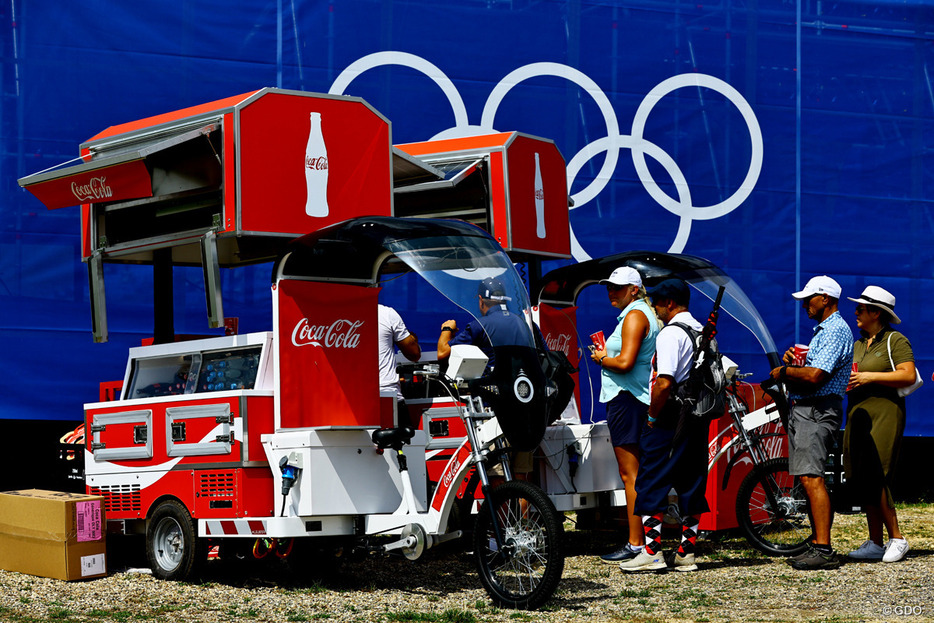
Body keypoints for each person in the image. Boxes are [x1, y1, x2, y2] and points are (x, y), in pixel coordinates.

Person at [619, 278, 708, 573]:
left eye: (657, 302)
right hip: (697, 415)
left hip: (670, 414)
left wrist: (652, 417)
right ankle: (686, 553)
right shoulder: (701, 330)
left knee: (651, 480)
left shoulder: (671, 333)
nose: (654, 308)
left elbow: (664, 381)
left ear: (669, 303)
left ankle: (652, 552)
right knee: (691, 481)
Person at [769, 275, 853, 570]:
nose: (805, 304)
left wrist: (785, 372)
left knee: (812, 477)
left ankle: (823, 549)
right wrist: (794, 365)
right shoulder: (829, 330)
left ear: (825, 299)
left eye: (809, 298)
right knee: (810, 477)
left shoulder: (833, 330)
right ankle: (819, 544)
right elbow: (816, 371)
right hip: (815, 409)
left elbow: (817, 376)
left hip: (816, 409)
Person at [589, 266, 660, 564]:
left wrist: (602, 358)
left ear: (634, 289)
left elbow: (626, 362)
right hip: (635, 398)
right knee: (639, 474)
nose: (611, 292)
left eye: (617, 287)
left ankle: (636, 543)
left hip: (627, 398)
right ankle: (646, 543)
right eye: (609, 286)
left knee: (631, 475)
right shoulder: (642, 313)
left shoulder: (635, 315)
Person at [843, 286, 915, 563]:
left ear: (876, 312)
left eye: (861, 308)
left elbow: (907, 375)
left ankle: (897, 537)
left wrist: (870, 377)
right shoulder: (859, 343)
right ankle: (875, 541)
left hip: (884, 413)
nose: (856, 312)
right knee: (862, 476)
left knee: (876, 474)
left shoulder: (895, 340)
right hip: (858, 413)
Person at [437, 277, 534, 478]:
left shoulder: (479, 325)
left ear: (481, 300)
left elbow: (442, 352)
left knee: (498, 474)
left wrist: (447, 329)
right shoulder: (525, 323)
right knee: (522, 477)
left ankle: (499, 511)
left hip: (498, 408)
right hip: (527, 406)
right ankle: (521, 512)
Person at [378, 304, 421, 426]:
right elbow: (414, 354)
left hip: (349, 399)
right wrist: (413, 339)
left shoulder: (332, 314)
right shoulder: (386, 313)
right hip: (387, 395)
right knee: (400, 444)